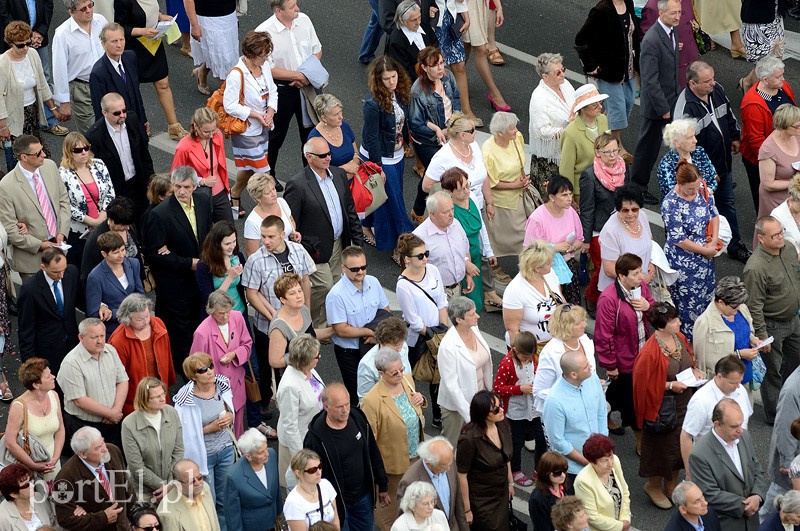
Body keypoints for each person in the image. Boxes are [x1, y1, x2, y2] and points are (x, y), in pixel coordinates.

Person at [283, 137, 366, 328]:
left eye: (329, 153)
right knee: (324, 285)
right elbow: (290, 222)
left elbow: (349, 209)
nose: (328, 158)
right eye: (323, 155)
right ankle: (310, 323)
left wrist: (358, 241)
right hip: (313, 249)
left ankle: (327, 321)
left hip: (337, 243)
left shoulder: (337, 174)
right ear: (309, 157)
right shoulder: (297, 184)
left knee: (336, 284)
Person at [673, 61, 748, 262]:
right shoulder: (685, 108)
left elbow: (729, 115)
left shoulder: (717, 90)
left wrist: (734, 136)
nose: (713, 84)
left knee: (728, 205)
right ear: (692, 84)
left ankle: (734, 245)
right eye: (707, 81)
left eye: (712, 78)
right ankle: (705, 248)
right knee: (704, 212)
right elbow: (683, 148)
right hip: (702, 175)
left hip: (723, 165)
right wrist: (700, 174)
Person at [632, 302, 702, 509]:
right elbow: (642, 385)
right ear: (661, 326)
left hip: (684, 404)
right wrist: (670, 385)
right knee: (663, 451)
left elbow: (688, 361)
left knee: (679, 449)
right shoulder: (649, 352)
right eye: (674, 320)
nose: (679, 322)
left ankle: (671, 485)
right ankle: (653, 485)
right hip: (662, 410)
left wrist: (694, 373)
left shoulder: (678, 338)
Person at [143, 166, 213, 374]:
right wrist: (188, 263)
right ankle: (188, 374)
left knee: (197, 323)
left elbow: (207, 233)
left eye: (187, 187)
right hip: (174, 284)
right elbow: (153, 254)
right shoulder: (159, 214)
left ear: (194, 186)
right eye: (177, 186)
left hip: (199, 279)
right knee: (180, 332)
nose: (182, 191)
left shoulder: (203, 201)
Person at [242, 215, 315, 407]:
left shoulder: (298, 251)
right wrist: (275, 318)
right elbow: (252, 293)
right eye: (263, 236)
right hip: (268, 327)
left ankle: (297, 399)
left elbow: (305, 281)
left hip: (298, 322)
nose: (265, 241)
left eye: (271, 237)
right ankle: (265, 402)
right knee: (268, 368)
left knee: (301, 362)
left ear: (283, 234)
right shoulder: (256, 260)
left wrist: (306, 309)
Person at [303, 383, 390, 531]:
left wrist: (382, 484)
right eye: (339, 407)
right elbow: (309, 474)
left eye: (347, 404)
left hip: (363, 498)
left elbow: (372, 451)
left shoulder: (357, 417)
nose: (345, 410)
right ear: (326, 406)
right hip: (335, 504)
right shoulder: (316, 438)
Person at [255, 0, 323, 178]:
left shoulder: (304, 20)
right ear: (278, 11)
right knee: (275, 137)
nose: (297, 9)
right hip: (281, 91)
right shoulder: (264, 32)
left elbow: (317, 50)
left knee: (312, 135)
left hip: (308, 86)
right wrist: (298, 76)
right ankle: (268, 177)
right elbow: (266, 68)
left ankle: (311, 178)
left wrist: (305, 76)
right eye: (292, 7)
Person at [744, 215, 800, 424]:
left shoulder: (788, 250)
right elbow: (754, 306)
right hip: (772, 326)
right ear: (761, 238)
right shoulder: (755, 268)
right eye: (775, 235)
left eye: (781, 231)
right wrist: (762, 335)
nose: (780, 237)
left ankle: (791, 400)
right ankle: (776, 415)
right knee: (773, 372)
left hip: (794, 320)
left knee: (795, 364)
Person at [362, 348, 425, 530]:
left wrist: (421, 399)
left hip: (416, 456)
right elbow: (370, 441)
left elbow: (415, 409)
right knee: (392, 512)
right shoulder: (372, 400)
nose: (400, 374)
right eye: (394, 372)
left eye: (401, 369)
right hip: (393, 466)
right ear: (381, 373)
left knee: (415, 504)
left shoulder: (407, 380)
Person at [595, 253, 655, 444]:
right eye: (636, 273)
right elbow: (603, 335)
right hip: (624, 361)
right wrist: (610, 364)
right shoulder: (608, 299)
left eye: (641, 272)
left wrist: (648, 306)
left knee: (617, 394)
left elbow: (653, 311)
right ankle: (640, 442)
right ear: (621, 276)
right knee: (632, 403)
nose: (641, 277)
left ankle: (604, 413)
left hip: (642, 353)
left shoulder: (641, 287)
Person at [173, 353, 235, 531]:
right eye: (203, 370)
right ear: (193, 376)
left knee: (225, 499)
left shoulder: (222, 385)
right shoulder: (184, 400)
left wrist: (230, 415)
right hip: (204, 456)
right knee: (209, 499)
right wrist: (208, 428)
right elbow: (183, 433)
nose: (209, 372)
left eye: (210, 366)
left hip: (226, 449)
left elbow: (229, 408)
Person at [574, 0, 640, 160]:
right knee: (617, 110)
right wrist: (591, 66)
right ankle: (616, 146)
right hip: (609, 72)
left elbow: (634, 34)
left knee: (627, 104)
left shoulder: (628, 3)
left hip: (628, 69)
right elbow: (581, 40)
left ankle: (599, 128)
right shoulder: (601, 10)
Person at [688, 399, 768, 530]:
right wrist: (745, 506)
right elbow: (709, 494)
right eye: (734, 426)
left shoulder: (745, 437)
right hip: (726, 524)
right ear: (717, 424)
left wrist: (757, 496)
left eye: (741, 424)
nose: (740, 430)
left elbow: (757, 469)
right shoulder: (699, 454)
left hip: (752, 521)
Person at [395, 233, 449, 427]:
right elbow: (413, 320)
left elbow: (442, 301)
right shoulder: (403, 285)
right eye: (420, 256)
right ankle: (412, 413)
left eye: (426, 253)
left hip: (438, 330)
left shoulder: (432, 270)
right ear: (407, 259)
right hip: (419, 337)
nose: (425, 258)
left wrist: (443, 330)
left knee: (439, 375)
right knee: (412, 376)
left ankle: (438, 415)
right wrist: (432, 335)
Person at [361, 55, 415, 250]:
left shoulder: (400, 93)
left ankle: (366, 225)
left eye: (394, 77)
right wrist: (378, 167)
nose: (392, 82)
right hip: (381, 156)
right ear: (378, 80)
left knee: (383, 197)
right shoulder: (372, 104)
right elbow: (373, 138)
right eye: (387, 79)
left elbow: (403, 122)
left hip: (397, 154)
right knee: (395, 201)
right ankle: (402, 243)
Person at [0, 135, 70, 282]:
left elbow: (63, 201)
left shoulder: (50, 166)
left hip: (59, 250)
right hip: (32, 261)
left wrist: (62, 232)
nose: (43, 154)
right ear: (24, 157)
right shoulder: (6, 186)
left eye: (42, 149)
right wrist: (41, 245)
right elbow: (11, 230)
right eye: (38, 153)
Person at [326, 246, 391, 404]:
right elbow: (341, 330)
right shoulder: (336, 295)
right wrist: (370, 333)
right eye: (355, 269)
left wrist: (375, 335)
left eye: (363, 267)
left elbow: (385, 310)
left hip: (374, 346)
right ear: (343, 268)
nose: (360, 272)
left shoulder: (373, 282)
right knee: (359, 395)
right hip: (350, 353)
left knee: (382, 389)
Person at [114, 0, 187, 140]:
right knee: (133, 89)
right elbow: (120, 27)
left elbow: (151, 10)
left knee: (163, 84)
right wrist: (142, 31)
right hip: (134, 47)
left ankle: (174, 126)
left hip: (153, 43)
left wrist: (160, 16)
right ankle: (139, 124)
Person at [662, 160, 719, 340]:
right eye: (690, 189)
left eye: (696, 187)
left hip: (705, 258)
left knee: (707, 297)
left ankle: (706, 333)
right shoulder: (670, 203)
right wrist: (705, 250)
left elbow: (714, 214)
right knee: (688, 305)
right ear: (679, 184)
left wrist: (714, 241)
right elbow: (678, 238)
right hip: (683, 263)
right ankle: (690, 342)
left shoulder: (701, 189)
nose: (694, 192)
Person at [631, 0, 680, 204]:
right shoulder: (652, 40)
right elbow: (650, 80)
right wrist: (664, 109)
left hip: (672, 100)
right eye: (674, 13)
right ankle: (637, 187)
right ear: (661, 13)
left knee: (681, 142)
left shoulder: (671, 31)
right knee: (648, 148)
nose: (678, 16)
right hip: (658, 107)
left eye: (679, 12)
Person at [223, 31, 278, 216]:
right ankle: (271, 213)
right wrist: (256, 114)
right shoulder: (237, 75)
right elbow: (229, 106)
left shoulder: (265, 66)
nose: (267, 57)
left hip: (262, 128)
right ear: (251, 54)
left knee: (247, 168)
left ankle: (234, 194)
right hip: (246, 132)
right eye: (264, 54)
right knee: (264, 173)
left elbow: (273, 91)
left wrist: (270, 112)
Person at [190, 290, 253, 438]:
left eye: (227, 312)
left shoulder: (237, 317)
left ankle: (239, 454)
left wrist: (234, 354)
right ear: (211, 312)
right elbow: (194, 365)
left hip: (236, 383)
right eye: (220, 314)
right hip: (216, 389)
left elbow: (247, 344)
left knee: (238, 425)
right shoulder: (202, 332)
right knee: (221, 427)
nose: (225, 317)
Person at [57, 318, 129, 448]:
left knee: (114, 461)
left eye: (102, 335)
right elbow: (79, 400)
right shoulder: (71, 363)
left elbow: (123, 380)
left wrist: (116, 410)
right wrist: (110, 414)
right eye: (94, 337)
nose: (100, 341)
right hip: (84, 426)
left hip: (113, 422)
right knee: (90, 465)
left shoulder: (111, 351)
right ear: (81, 337)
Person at [408, 46, 460, 222]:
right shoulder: (417, 92)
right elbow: (415, 124)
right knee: (438, 175)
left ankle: (418, 209)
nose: (440, 68)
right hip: (427, 141)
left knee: (432, 175)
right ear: (424, 67)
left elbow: (456, 99)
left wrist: (456, 119)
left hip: (448, 133)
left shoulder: (447, 77)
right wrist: (438, 131)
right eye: (435, 65)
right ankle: (427, 211)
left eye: (442, 63)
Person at [579, 133, 632, 307]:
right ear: (597, 152)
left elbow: (628, 197)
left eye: (615, 150)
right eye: (607, 152)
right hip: (599, 229)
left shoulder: (624, 168)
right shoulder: (589, 175)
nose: (612, 155)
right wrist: (586, 240)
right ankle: (591, 296)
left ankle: (614, 298)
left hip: (620, 224)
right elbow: (587, 209)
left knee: (623, 263)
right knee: (603, 267)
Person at [533, 303, 595, 448]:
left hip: (585, 410)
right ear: (566, 326)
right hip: (560, 415)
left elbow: (590, 373)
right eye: (579, 323)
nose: (584, 324)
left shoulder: (585, 341)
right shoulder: (550, 352)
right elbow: (538, 391)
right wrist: (569, 395)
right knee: (561, 456)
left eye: (583, 320)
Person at [680, 355, 752, 479]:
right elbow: (686, 436)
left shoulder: (740, 391)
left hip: (738, 459)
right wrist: (690, 473)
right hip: (711, 464)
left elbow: (745, 424)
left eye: (739, 382)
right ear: (719, 376)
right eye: (733, 382)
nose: (738, 386)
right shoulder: (701, 401)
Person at [440, 167, 502, 312]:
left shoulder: (472, 197)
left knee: (475, 300)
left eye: (468, 185)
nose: (467, 191)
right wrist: (465, 264)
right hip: (460, 259)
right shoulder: (450, 212)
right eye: (462, 189)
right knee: (462, 303)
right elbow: (451, 244)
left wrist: (489, 251)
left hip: (475, 255)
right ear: (450, 192)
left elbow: (481, 228)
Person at [84, 92, 154, 220]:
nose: (122, 115)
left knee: (145, 221)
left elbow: (144, 154)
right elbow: (96, 173)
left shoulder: (132, 119)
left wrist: (151, 180)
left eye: (124, 110)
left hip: (139, 183)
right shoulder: (94, 137)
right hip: (117, 191)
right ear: (104, 113)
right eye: (116, 113)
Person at [0, 21, 64, 160]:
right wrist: (3, 128)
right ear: (11, 43)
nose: (25, 48)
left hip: (32, 112)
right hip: (14, 118)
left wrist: (53, 110)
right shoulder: (3, 63)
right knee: (21, 159)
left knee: (41, 156)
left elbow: (42, 84)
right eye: (20, 45)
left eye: (28, 43)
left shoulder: (33, 54)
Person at [542, 350, 608, 480]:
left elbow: (601, 412)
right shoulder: (554, 401)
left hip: (599, 458)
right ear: (573, 374)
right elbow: (558, 441)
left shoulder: (592, 378)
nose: (590, 367)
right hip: (574, 470)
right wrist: (586, 462)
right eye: (585, 367)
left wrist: (604, 446)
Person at [437, 296, 492, 448]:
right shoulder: (448, 346)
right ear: (459, 320)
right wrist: (469, 415)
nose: (478, 316)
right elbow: (451, 386)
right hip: (456, 406)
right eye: (472, 314)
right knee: (452, 446)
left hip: (478, 397)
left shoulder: (474, 328)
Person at [741, 56, 795, 210]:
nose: (783, 79)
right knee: (768, 202)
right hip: (764, 161)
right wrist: (776, 164)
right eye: (778, 76)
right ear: (765, 79)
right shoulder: (753, 104)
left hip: (786, 153)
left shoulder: (782, 87)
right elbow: (757, 142)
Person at [52, 427, 133, 530]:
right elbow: (65, 519)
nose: (105, 448)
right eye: (98, 448)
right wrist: (102, 518)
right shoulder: (65, 478)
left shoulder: (113, 451)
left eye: (103, 442)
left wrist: (138, 514)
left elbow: (126, 488)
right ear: (83, 454)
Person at [17, 248, 81, 376]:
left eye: (63, 269)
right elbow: (26, 329)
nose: (61, 275)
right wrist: (30, 365)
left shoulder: (72, 272)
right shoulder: (30, 289)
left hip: (73, 345)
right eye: (56, 272)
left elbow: (81, 300)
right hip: (48, 351)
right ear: (43, 267)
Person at [109, 293, 175, 415]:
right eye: (140, 319)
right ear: (127, 319)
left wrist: (169, 380)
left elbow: (167, 356)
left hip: (160, 393)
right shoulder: (118, 341)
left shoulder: (158, 324)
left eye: (147, 316)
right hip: (136, 400)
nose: (146, 322)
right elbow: (116, 378)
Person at [456, 390, 513, 530]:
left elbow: (506, 457)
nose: (501, 410)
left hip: (502, 493)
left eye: (500, 405)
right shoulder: (469, 438)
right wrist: (467, 510)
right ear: (482, 414)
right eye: (496, 409)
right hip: (481, 500)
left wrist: (510, 483)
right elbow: (461, 475)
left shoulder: (502, 425)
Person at [120, 377, 183, 502]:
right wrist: (162, 486)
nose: (162, 398)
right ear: (144, 399)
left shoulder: (171, 412)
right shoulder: (129, 423)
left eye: (163, 393)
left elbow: (178, 450)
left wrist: (170, 484)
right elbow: (135, 465)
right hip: (142, 491)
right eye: (156, 396)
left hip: (171, 485)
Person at [524, 175, 584, 305]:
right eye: (564, 195)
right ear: (551, 197)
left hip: (567, 266)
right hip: (545, 269)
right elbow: (529, 251)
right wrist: (554, 247)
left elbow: (579, 239)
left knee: (571, 309)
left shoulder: (570, 212)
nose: (569, 199)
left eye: (570, 194)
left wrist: (571, 248)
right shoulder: (537, 219)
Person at [59, 131, 115, 270]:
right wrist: (90, 221)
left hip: (103, 226)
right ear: (68, 152)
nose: (84, 152)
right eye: (78, 150)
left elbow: (110, 192)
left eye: (86, 148)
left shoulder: (98, 164)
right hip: (79, 233)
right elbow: (65, 204)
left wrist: (102, 215)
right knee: (83, 269)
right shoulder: (62, 174)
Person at [3, 358, 64, 482]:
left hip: (54, 464)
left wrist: (56, 457)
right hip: (30, 468)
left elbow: (60, 429)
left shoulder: (54, 396)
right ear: (36, 385)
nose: (53, 377)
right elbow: (10, 442)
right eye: (48, 376)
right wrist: (33, 465)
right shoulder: (19, 406)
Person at [51, 0, 107, 133]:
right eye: (83, 9)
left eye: (90, 5)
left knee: (111, 125)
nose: (89, 11)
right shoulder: (62, 34)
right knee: (91, 133)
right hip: (82, 89)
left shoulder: (101, 21)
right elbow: (59, 69)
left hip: (106, 82)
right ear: (71, 12)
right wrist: (64, 101)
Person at [276, 333, 325, 486]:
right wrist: (300, 457)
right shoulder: (290, 386)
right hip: (299, 443)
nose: (320, 357)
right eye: (317, 356)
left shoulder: (308, 370)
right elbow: (290, 426)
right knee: (299, 485)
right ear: (306, 360)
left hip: (312, 433)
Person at [482, 111, 531, 261]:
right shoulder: (488, 151)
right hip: (504, 201)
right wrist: (515, 185)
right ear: (500, 133)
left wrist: (522, 179)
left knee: (527, 233)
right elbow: (490, 181)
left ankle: (527, 264)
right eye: (512, 128)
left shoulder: (517, 138)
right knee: (506, 237)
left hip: (521, 193)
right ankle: (495, 267)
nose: (516, 130)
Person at [88, 22, 148, 141]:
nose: (119, 45)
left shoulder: (130, 57)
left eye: (122, 39)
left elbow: (136, 93)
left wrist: (143, 119)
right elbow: (100, 111)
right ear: (103, 44)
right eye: (114, 41)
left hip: (137, 125)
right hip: (118, 131)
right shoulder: (98, 73)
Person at [693, 277, 760, 382]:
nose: (738, 308)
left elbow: (748, 331)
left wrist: (753, 339)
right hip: (723, 383)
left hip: (745, 375)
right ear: (721, 302)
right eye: (734, 306)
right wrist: (739, 354)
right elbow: (703, 362)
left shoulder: (741, 309)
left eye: (740, 304)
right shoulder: (704, 323)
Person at [172, 107, 232, 223]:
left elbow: (221, 165)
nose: (211, 135)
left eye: (213, 130)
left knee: (228, 232)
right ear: (195, 127)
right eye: (206, 131)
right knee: (205, 235)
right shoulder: (184, 147)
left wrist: (227, 191)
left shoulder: (217, 135)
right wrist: (201, 181)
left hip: (220, 193)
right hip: (198, 197)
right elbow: (175, 176)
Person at [528, 52, 576, 197]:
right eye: (557, 72)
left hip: (568, 150)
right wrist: (567, 130)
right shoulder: (539, 98)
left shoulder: (565, 84)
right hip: (549, 160)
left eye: (563, 69)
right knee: (552, 199)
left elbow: (575, 105)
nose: (562, 74)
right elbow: (542, 131)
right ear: (545, 76)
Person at [396, 436, 469, 531]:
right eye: (443, 467)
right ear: (428, 462)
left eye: (450, 465)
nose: (448, 469)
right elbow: (406, 518)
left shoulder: (447, 461)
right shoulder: (410, 481)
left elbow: (458, 501)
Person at [413, 192, 476, 300]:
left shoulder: (456, 224)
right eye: (445, 212)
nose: (451, 214)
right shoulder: (419, 238)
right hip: (435, 293)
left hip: (457, 288)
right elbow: (415, 271)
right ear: (432, 214)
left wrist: (468, 272)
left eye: (452, 209)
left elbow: (465, 251)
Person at [493, 331, 537, 486]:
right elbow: (498, 387)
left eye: (530, 357)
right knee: (516, 442)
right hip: (515, 410)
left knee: (540, 437)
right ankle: (515, 470)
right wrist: (519, 389)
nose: (528, 359)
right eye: (525, 357)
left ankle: (539, 469)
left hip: (532, 406)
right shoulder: (506, 364)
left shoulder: (531, 359)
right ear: (515, 350)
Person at [502, 239, 564, 348]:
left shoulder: (550, 274)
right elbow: (513, 331)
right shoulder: (515, 290)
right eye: (549, 263)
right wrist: (524, 357)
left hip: (554, 343)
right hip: (530, 349)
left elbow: (560, 298)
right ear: (537, 269)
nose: (552, 264)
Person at [86, 232, 143, 338]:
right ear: (104, 254)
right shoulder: (95, 276)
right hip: (114, 332)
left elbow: (140, 294)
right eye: (116, 252)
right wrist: (115, 313)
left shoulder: (134, 264)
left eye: (123, 250)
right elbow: (93, 313)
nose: (121, 255)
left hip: (136, 326)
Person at [269, 273, 331, 372]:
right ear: (282, 299)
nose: (299, 296)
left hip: (307, 369)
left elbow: (310, 333)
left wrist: (333, 330)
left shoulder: (303, 309)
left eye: (300, 290)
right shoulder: (279, 327)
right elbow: (275, 361)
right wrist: (305, 356)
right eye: (292, 293)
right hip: (292, 374)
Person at [559, 84, 610, 203]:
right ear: (582, 108)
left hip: (605, 184)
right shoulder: (571, 133)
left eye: (600, 102)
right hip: (583, 191)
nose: (600, 106)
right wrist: (569, 198)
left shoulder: (603, 120)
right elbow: (566, 170)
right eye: (594, 104)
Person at [224, 429, 283, 531]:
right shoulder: (233, 477)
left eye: (266, 449)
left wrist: (278, 510)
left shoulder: (272, 455)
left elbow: (276, 486)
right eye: (261, 453)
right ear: (248, 456)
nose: (267, 454)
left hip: (272, 522)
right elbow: (232, 515)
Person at [574, 434, 632, 530]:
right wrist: (620, 526)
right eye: (604, 460)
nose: (610, 463)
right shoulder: (583, 481)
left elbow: (625, 490)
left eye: (611, 457)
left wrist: (625, 518)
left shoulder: (615, 461)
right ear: (592, 462)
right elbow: (592, 517)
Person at [80, 196, 140, 285]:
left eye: (128, 225)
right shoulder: (96, 238)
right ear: (111, 220)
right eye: (123, 225)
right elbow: (87, 274)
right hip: (110, 288)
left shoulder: (128, 224)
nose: (127, 228)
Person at [763, 370, 800, 517]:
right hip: (791, 467)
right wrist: (787, 462)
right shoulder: (793, 389)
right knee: (775, 507)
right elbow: (785, 428)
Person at [183, 0, 239, 95]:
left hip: (229, 16)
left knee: (223, 54)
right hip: (209, 19)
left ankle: (202, 72)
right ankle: (229, 97)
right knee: (223, 60)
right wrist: (194, 25)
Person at [640, 0, 698, 89]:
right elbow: (647, 36)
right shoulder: (653, 6)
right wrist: (668, 43)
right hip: (674, 63)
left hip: (691, 56)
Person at [656, 118, 717, 200]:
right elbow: (672, 193)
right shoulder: (667, 164)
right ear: (676, 142)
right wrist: (701, 196)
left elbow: (713, 177)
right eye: (690, 137)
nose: (695, 140)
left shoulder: (699, 152)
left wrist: (707, 193)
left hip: (705, 203)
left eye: (694, 136)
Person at [758, 104, 800, 221]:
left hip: (795, 196)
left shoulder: (796, 135)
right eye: (797, 126)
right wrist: (795, 182)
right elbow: (768, 184)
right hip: (776, 200)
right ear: (784, 126)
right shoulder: (768, 149)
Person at [195, 220, 247, 313]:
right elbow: (210, 302)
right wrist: (229, 278)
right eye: (227, 244)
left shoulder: (238, 257)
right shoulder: (203, 266)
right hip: (218, 316)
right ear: (216, 244)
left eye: (234, 241)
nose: (232, 247)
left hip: (239, 312)